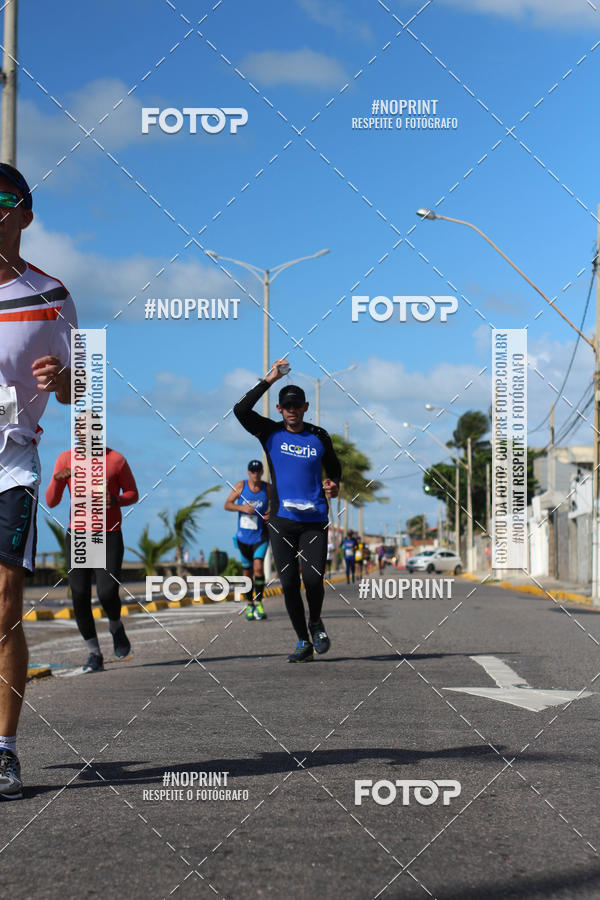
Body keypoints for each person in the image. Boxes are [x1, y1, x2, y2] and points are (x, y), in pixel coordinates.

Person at [0, 164, 77, 800]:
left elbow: (85, 388)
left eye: (3, 200)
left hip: (12, 462)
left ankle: (4, 750)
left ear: (25, 215)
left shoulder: (51, 293)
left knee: (3, 604)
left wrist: (64, 380)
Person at [234, 359, 341, 662]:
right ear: (280, 409)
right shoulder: (269, 432)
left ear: (305, 407)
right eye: (287, 406)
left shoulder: (319, 436)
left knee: (313, 579)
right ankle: (303, 641)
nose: (292, 410)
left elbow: (334, 468)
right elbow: (240, 410)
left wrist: (334, 485)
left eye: (297, 406)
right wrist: (270, 378)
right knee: (289, 583)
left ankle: (316, 621)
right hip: (281, 520)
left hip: (314, 520)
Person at [45, 436, 138, 672]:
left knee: (107, 592)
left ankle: (116, 626)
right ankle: (94, 653)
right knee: (79, 594)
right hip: (78, 535)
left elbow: (133, 493)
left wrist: (116, 499)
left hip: (109, 534)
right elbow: (51, 501)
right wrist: (57, 480)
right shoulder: (65, 459)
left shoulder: (116, 459)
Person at [224, 459, 270, 621]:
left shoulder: (267, 488)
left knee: (258, 568)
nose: (255, 474)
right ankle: (250, 604)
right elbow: (227, 504)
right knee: (247, 573)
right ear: (248, 472)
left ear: (262, 472)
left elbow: (279, 504)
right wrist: (241, 507)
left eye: (258, 471)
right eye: (252, 471)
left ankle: (259, 602)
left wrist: (270, 513)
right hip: (243, 537)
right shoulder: (241, 486)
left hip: (260, 536)